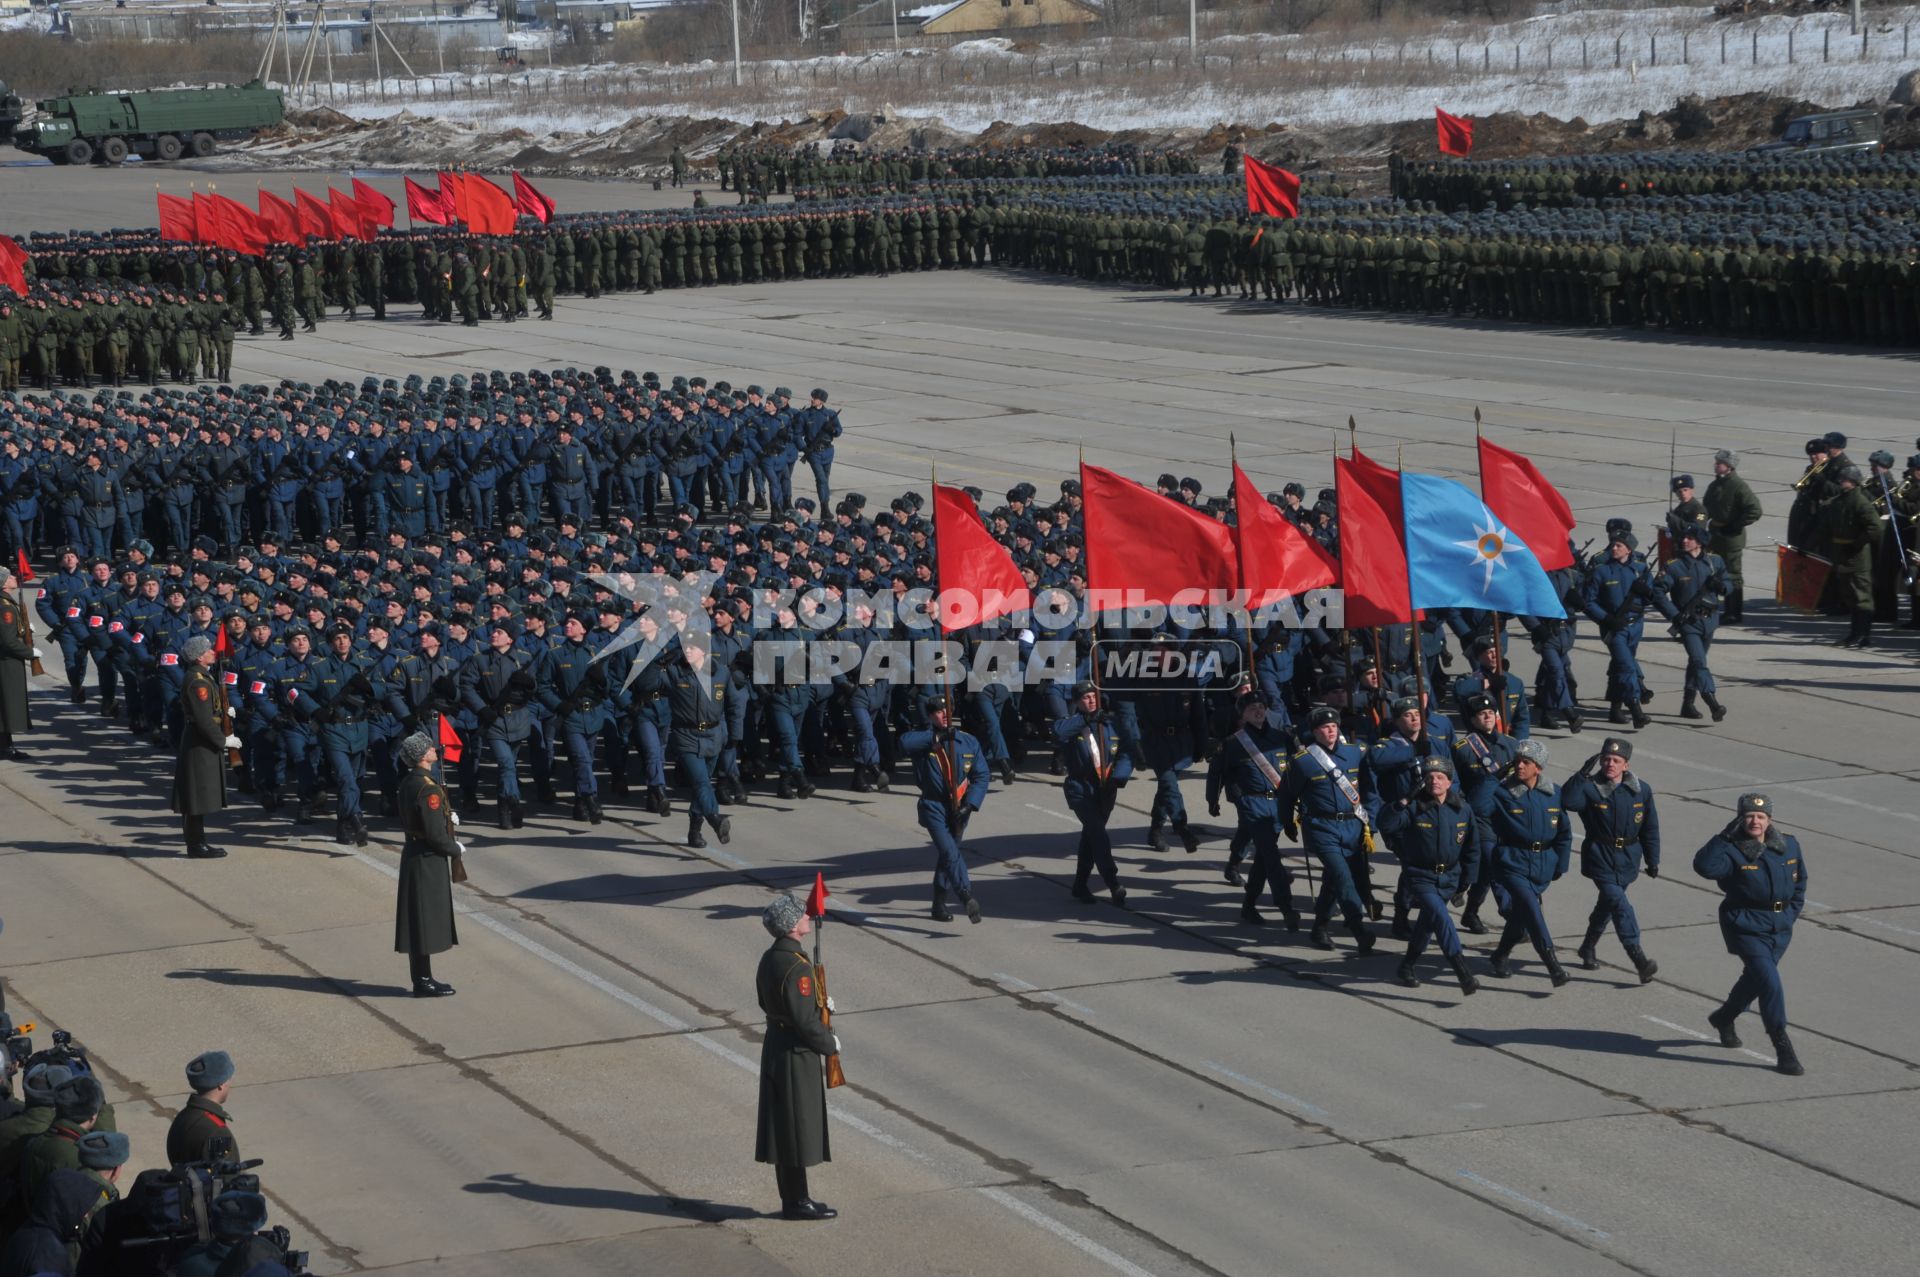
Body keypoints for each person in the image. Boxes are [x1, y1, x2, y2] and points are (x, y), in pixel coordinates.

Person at [1693, 793, 1807, 1076]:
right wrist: (1722, 837)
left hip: (1780, 927)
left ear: (1769, 819)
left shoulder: (1788, 846)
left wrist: (1791, 914)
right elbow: (1704, 868)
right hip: (1745, 925)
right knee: (1770, 983)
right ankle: (1783, 1046)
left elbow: (1800, 883)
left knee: (1755, 980)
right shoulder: (1731, 849)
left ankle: (1724, 1017)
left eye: (1760, 816)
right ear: (1739, 819)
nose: (1754, 821)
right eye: (1748, 816)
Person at [755, 893, 838, 1221]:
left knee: (785, 1127)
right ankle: (796, 1202)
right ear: (792, 926)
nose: (807, 917)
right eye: (801, 915)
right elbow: (804, 1021)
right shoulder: (796, 966)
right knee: (795, 1127)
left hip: (777, 1043)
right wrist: (830, 1043)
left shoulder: (770, 958)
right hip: (795, 1052)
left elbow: (766, 1001)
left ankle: (796, 1197)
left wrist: (821, 1005)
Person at [1377, 757, 1482, 995]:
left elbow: (1472, 847)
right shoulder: (1414, 806)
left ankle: (1407, 966)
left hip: (1449, 878)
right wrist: (1404, 799)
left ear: (1450, 782)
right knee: (1442, 918)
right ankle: (1463, 973)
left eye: (1439, 777)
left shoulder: (1462, 809)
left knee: (1428, 923)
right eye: (1429, 777)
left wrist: (1467, 880)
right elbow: (1386, 824)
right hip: (1420, 876)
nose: (1434, 781)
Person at [1561, 738, 1660, 983]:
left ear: (1626, 765)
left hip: (1628, 858)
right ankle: (1638, 957)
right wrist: (1582, 774)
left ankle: (1587, 947)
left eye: (1616, 761)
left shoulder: (1641, 790)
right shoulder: (1590, 787)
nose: (1610, 764)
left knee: (1607, 906)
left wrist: (1652, 858)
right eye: (1605, 759)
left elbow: (1650, 827)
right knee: (1620, 905)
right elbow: (1567, 802)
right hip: (1600, 857)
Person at [1281, 705, 1374, 954]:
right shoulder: (1303, 762)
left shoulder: (1356, 753)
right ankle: (1358, 929)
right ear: (1314, 731)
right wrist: (1287, 822)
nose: (1331, 731)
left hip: (1353, 826)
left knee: (1334, 881)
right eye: (1325, 727)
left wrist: (1370, 821)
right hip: (1322, 828)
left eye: (1334, 726)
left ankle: (1319, 928)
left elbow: (1369, 789)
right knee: (1343, 877)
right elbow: (1287, 795)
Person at [1207, 691, 1301, 929]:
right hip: (1252, 805)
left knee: (1262, 859)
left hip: (1278, 804)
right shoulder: (1234, 743)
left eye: (1261, 707)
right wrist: (1213, 800)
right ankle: (1286, 907)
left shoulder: (1282, 738)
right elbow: (1217, 772)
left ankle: (1249, 905)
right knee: (1270, 854)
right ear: (1243, 715)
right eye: (1252, 709)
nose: (1258, 711)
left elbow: (1297, 770)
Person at [1484, 738, 1574, 987]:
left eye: (1526, 762)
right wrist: (1492, 779)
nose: (1519, 766)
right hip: (1512, 862)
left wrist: (1560, 864)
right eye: (1517, 761)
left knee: (1521, 915)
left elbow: (1564, 832)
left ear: (1539, 768)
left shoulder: (1553, 793)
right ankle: (1553, 965)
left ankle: (1500, 955)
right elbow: (1478, 807)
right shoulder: (1502, 792)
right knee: (1532, 909)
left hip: (1543, 863)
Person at [900, 696, 989, 923]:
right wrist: (936, 737)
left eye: (948, 709)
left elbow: (981, 775)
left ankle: (938, 904)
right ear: (931, 715)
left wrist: (970, 804)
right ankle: (965, 894)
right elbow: (903, 743)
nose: (945, 714)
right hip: (934, 806)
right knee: (950, 852)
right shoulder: (923, 741)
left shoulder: (967, 742)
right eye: (939, 711)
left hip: (959, 807)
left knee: (947, 857)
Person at [395, 731, 462, 998]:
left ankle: (423, 978)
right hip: (427, 859)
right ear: (423, 756)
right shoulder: (428, 788)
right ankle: (423, 981)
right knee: (423, 922)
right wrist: (454, 847)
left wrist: (447, 815)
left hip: (414, 853)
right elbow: (434, 834)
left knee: (417, 920)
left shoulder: (410, 783)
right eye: (430, 748)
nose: (435, 750)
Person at [1054, 681, 1131, 905]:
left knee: (1090, 837)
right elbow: (1058, 733)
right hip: (1080, 788)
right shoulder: (1071, 724)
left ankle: (1080, 884)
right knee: (1098, 833)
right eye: (1086, 698)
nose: (1091, 700)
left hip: (1106, 789)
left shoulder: (1110, 724)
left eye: (1094, 696)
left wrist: (1120, 776)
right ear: (1077, 702)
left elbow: (1126, 752)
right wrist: (1085, 719)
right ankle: (1112, 881)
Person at [1652, 524, 1728, 722]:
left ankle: (1687, 703)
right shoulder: (1674, 566)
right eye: (1684, 537)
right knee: (1699, 661)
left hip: (1710, 621)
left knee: (1696, 662)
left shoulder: (1715, 561)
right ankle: (1711, 701)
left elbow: (1730, 582)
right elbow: (1658, 592)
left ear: (1700, 542)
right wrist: (1674, 615)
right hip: (1688, 623)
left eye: (1690, 538)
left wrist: (1722, 586)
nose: (1684, 541)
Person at [173, 636, 235, 860]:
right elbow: (203, 720)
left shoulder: (202, 676)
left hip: (200, 741)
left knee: (196, 795)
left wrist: (224, 713)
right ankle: (196, 844)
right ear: (199, 656)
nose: (213, 652)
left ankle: (197, 842)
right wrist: (223, 741)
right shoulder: (198, 681)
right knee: (195, 796)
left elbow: (211, 710)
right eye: (209, 650)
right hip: (199, 743)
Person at [1702, 449, 1760, 624]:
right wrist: (1697, 522)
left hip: (1731, 538)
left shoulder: (1738, 486)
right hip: (1715, 535)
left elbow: (1754, 510)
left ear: (1728, 466)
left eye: (1719, 463)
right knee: (1715, 572)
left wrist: (1735, 524)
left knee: (1732, 575)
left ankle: (1734, 611)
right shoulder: (1715, 485)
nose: (1715, 465)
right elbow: (1704, 511)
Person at [165, 1051, 239, 1165]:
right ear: (221, 1084)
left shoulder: (183, 1117)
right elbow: (224, 1177)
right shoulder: (218, 1131)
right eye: (229, 1079)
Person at [0, 567, 36, 761]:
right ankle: (6, 747)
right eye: (10, 576)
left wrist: (23, 627)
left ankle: (6, 745)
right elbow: (7, 640)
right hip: (7, 662)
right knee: (7, 704)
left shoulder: (6, 601)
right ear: (4, 583)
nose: (14, 578)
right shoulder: (5, 605)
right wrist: (29, 652)